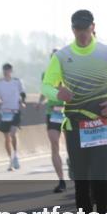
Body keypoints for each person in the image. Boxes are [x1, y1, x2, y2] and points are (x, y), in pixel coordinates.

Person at [41, 10, 107, 214]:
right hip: (75, 126)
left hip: (100, 124)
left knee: (99, 178)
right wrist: (58, 93)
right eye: (77, 29)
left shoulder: (105, 52)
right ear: (72, 30)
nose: (81, 33)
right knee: (81, 182)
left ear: (93, 27)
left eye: (85, 28)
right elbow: (46, 86)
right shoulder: (62, 56)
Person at [40, 49, 68, 193]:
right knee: (54, 144)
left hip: (68, 112)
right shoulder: (46, 74)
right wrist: (41, 101)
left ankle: (73, 162)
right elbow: (44, 91)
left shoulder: (69, 73)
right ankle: (61, 180)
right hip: (53, 113)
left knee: (72, 145)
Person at [0, 63, 27, 171]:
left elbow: (22, 93)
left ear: (11, 71)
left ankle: (16, 155)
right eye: (4, 69)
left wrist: (22, 102)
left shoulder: (17, 81)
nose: (5, 71)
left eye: (7, 69)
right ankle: (10, 160)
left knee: (13, 133)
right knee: (6, 137)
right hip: (4, 112)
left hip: (15, 111)